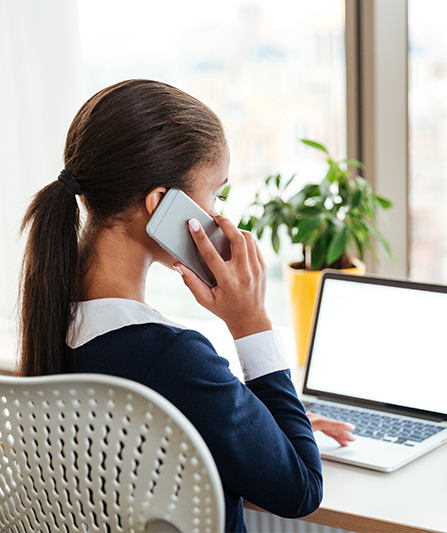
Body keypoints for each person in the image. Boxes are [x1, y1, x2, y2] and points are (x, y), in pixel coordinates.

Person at [18, 79, 355, 532]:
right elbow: (301, 490)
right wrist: (250, 321)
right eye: (215, 193)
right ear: (161, 205)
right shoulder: (172, 357)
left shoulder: (51, 322)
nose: (219, 215)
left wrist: (263, 422)